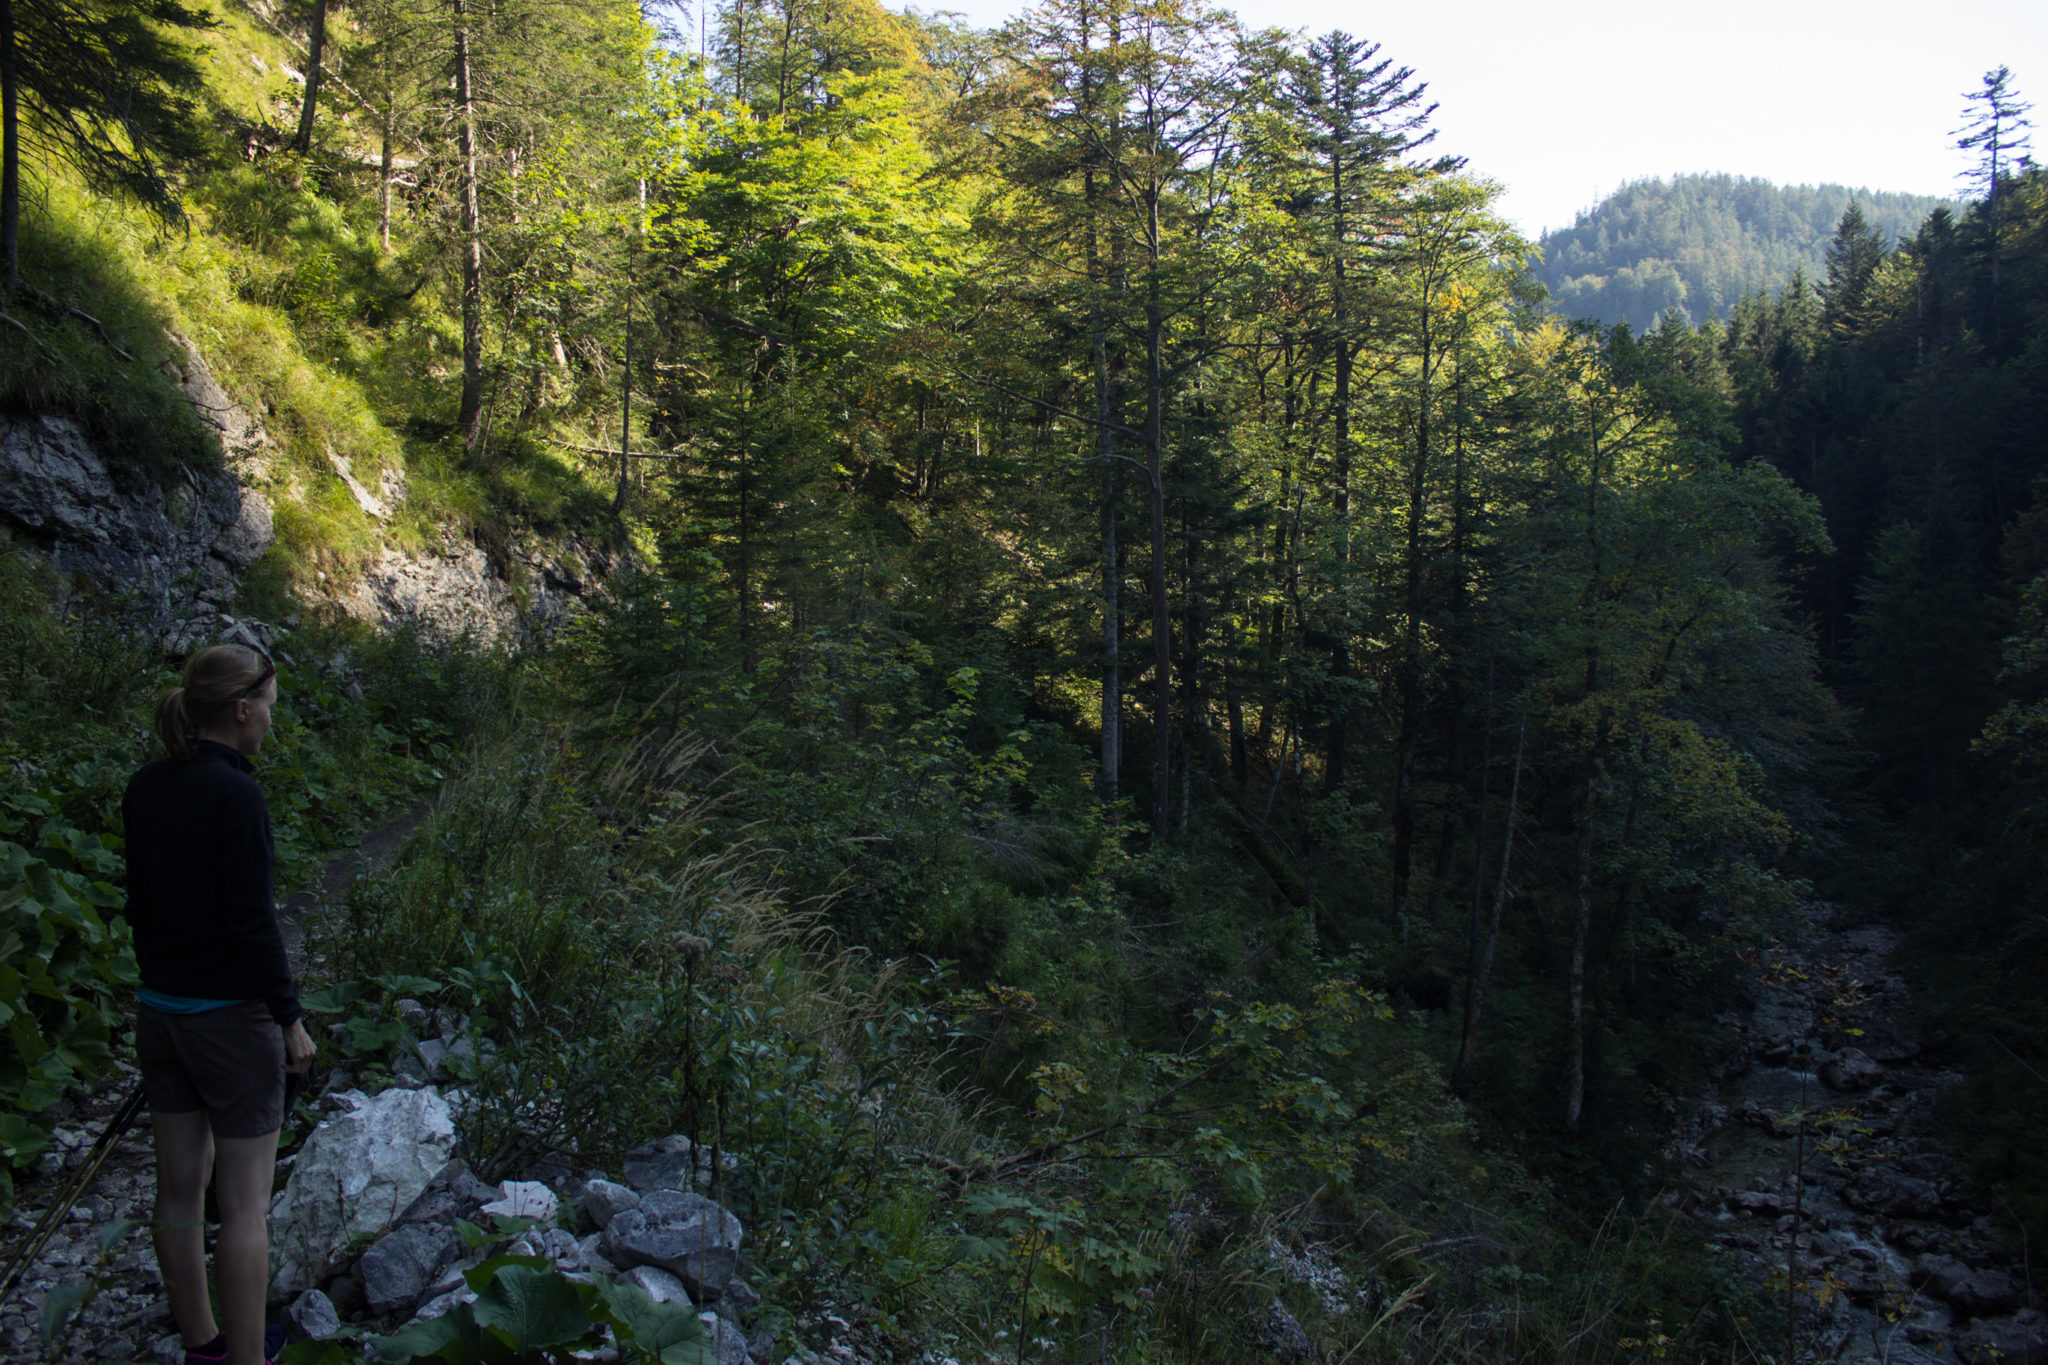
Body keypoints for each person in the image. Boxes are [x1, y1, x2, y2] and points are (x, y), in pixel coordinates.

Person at [122, 644, 316, 1365]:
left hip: (160, 1011)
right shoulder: (237, 795)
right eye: (268, 705)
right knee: (243, 1206)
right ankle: (248, 1357)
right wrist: (289, 1018)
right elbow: (253, 921)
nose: (270, 719)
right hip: (231, 1020)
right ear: (240, 710)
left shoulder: (146, 786)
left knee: (177, 1193)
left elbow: (142, 901)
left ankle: (202, 1343)